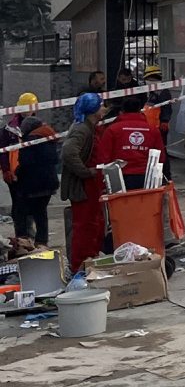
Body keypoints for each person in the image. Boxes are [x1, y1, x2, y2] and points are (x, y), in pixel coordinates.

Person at [61, 92, 107, 272]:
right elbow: (68, 152)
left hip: (92, 185)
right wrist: (86, 172)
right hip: (84, 186)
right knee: (85, 226)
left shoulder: (89, 127)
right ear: (93, 110)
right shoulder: (82, 129)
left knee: (95, 224)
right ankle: (80, 266)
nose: (104, 109)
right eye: (101, 105)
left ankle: (90, 260)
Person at [94, 94, 165, 191]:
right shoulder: (152, 130)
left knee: (120, 205)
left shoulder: (112, 130)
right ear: (140, 111)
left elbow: (103, 157)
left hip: (118, 177)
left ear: (121, 112)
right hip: (145, 177)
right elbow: (160, 157)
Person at [14, 115, 59, 245]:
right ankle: (42, 242)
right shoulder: (48, 138)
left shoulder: (30, 141)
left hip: (33, 184)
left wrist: (17, 174)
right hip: (49, 183)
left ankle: (23, 242)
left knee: (21, 212)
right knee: (41, 214)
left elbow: (25, 162)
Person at [4, 92, 39, 239]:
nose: (28, 111)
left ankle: (29, 237)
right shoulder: (10, 128)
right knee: (19, 207)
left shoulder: (38, 126)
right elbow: (3, 151)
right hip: (15, 173)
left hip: (31, 172)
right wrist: (6, 170)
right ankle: (22, 237)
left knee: (32, 206)